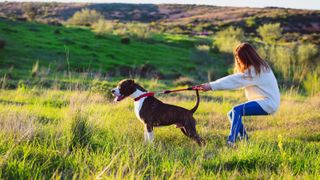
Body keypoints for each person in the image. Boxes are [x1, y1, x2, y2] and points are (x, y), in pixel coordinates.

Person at [196, 42, 280, 146]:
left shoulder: (256, 70)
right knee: (231, 113)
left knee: (237, 110)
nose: (237, 60)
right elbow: (237, 80)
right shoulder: (259, 67)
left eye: (238, 57)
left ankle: (230, 141)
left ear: (246, 57)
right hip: (265, 101)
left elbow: (234, 80)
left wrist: (211, 86)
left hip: (268, 103)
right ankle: (245, 141)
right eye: (236, 57)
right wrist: (211, 85)